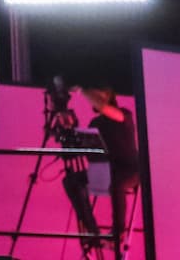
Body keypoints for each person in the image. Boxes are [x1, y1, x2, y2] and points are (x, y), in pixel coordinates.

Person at [64, 85, 140, 258]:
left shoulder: (123, 114)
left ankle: (117, 234)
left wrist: (83, 91)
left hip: (129, 170)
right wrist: (72, 134)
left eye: (99, 93)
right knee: (71, 181)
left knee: (117, 183)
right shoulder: (95, 123)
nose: (95, 96)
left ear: (110, 95)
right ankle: (92, 231)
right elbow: (90, 153)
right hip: (105, 169)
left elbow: (104, 107)